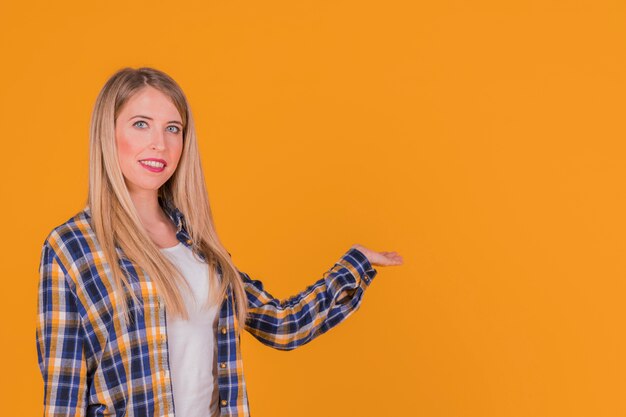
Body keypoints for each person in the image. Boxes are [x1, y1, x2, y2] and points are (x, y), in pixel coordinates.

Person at [35, 66, 403, 417]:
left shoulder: (198, 247)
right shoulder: (72, 248)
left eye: (173, 128)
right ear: (108, 132)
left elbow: (282, 324)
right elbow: (64, 394)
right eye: (141, 124)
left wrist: (355, 264)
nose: (159, 144)